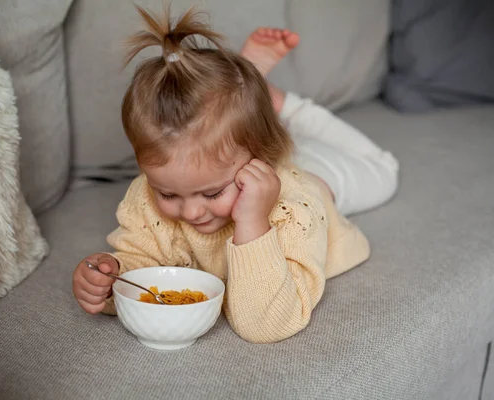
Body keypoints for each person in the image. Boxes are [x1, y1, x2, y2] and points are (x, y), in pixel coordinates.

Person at [72, 6, 399, 344]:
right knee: (243, 142)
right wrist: (111, 279)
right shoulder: (151, 193)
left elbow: (267, 324)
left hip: (320, 180)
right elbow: (142, 262)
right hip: (249, 156)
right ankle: (251, 98)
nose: (191, 212)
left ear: (261, 158)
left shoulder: (295, 208)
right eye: (168, 194)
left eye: (212, 194)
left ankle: (279, 103)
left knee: (383, 169)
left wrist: (254, 224)